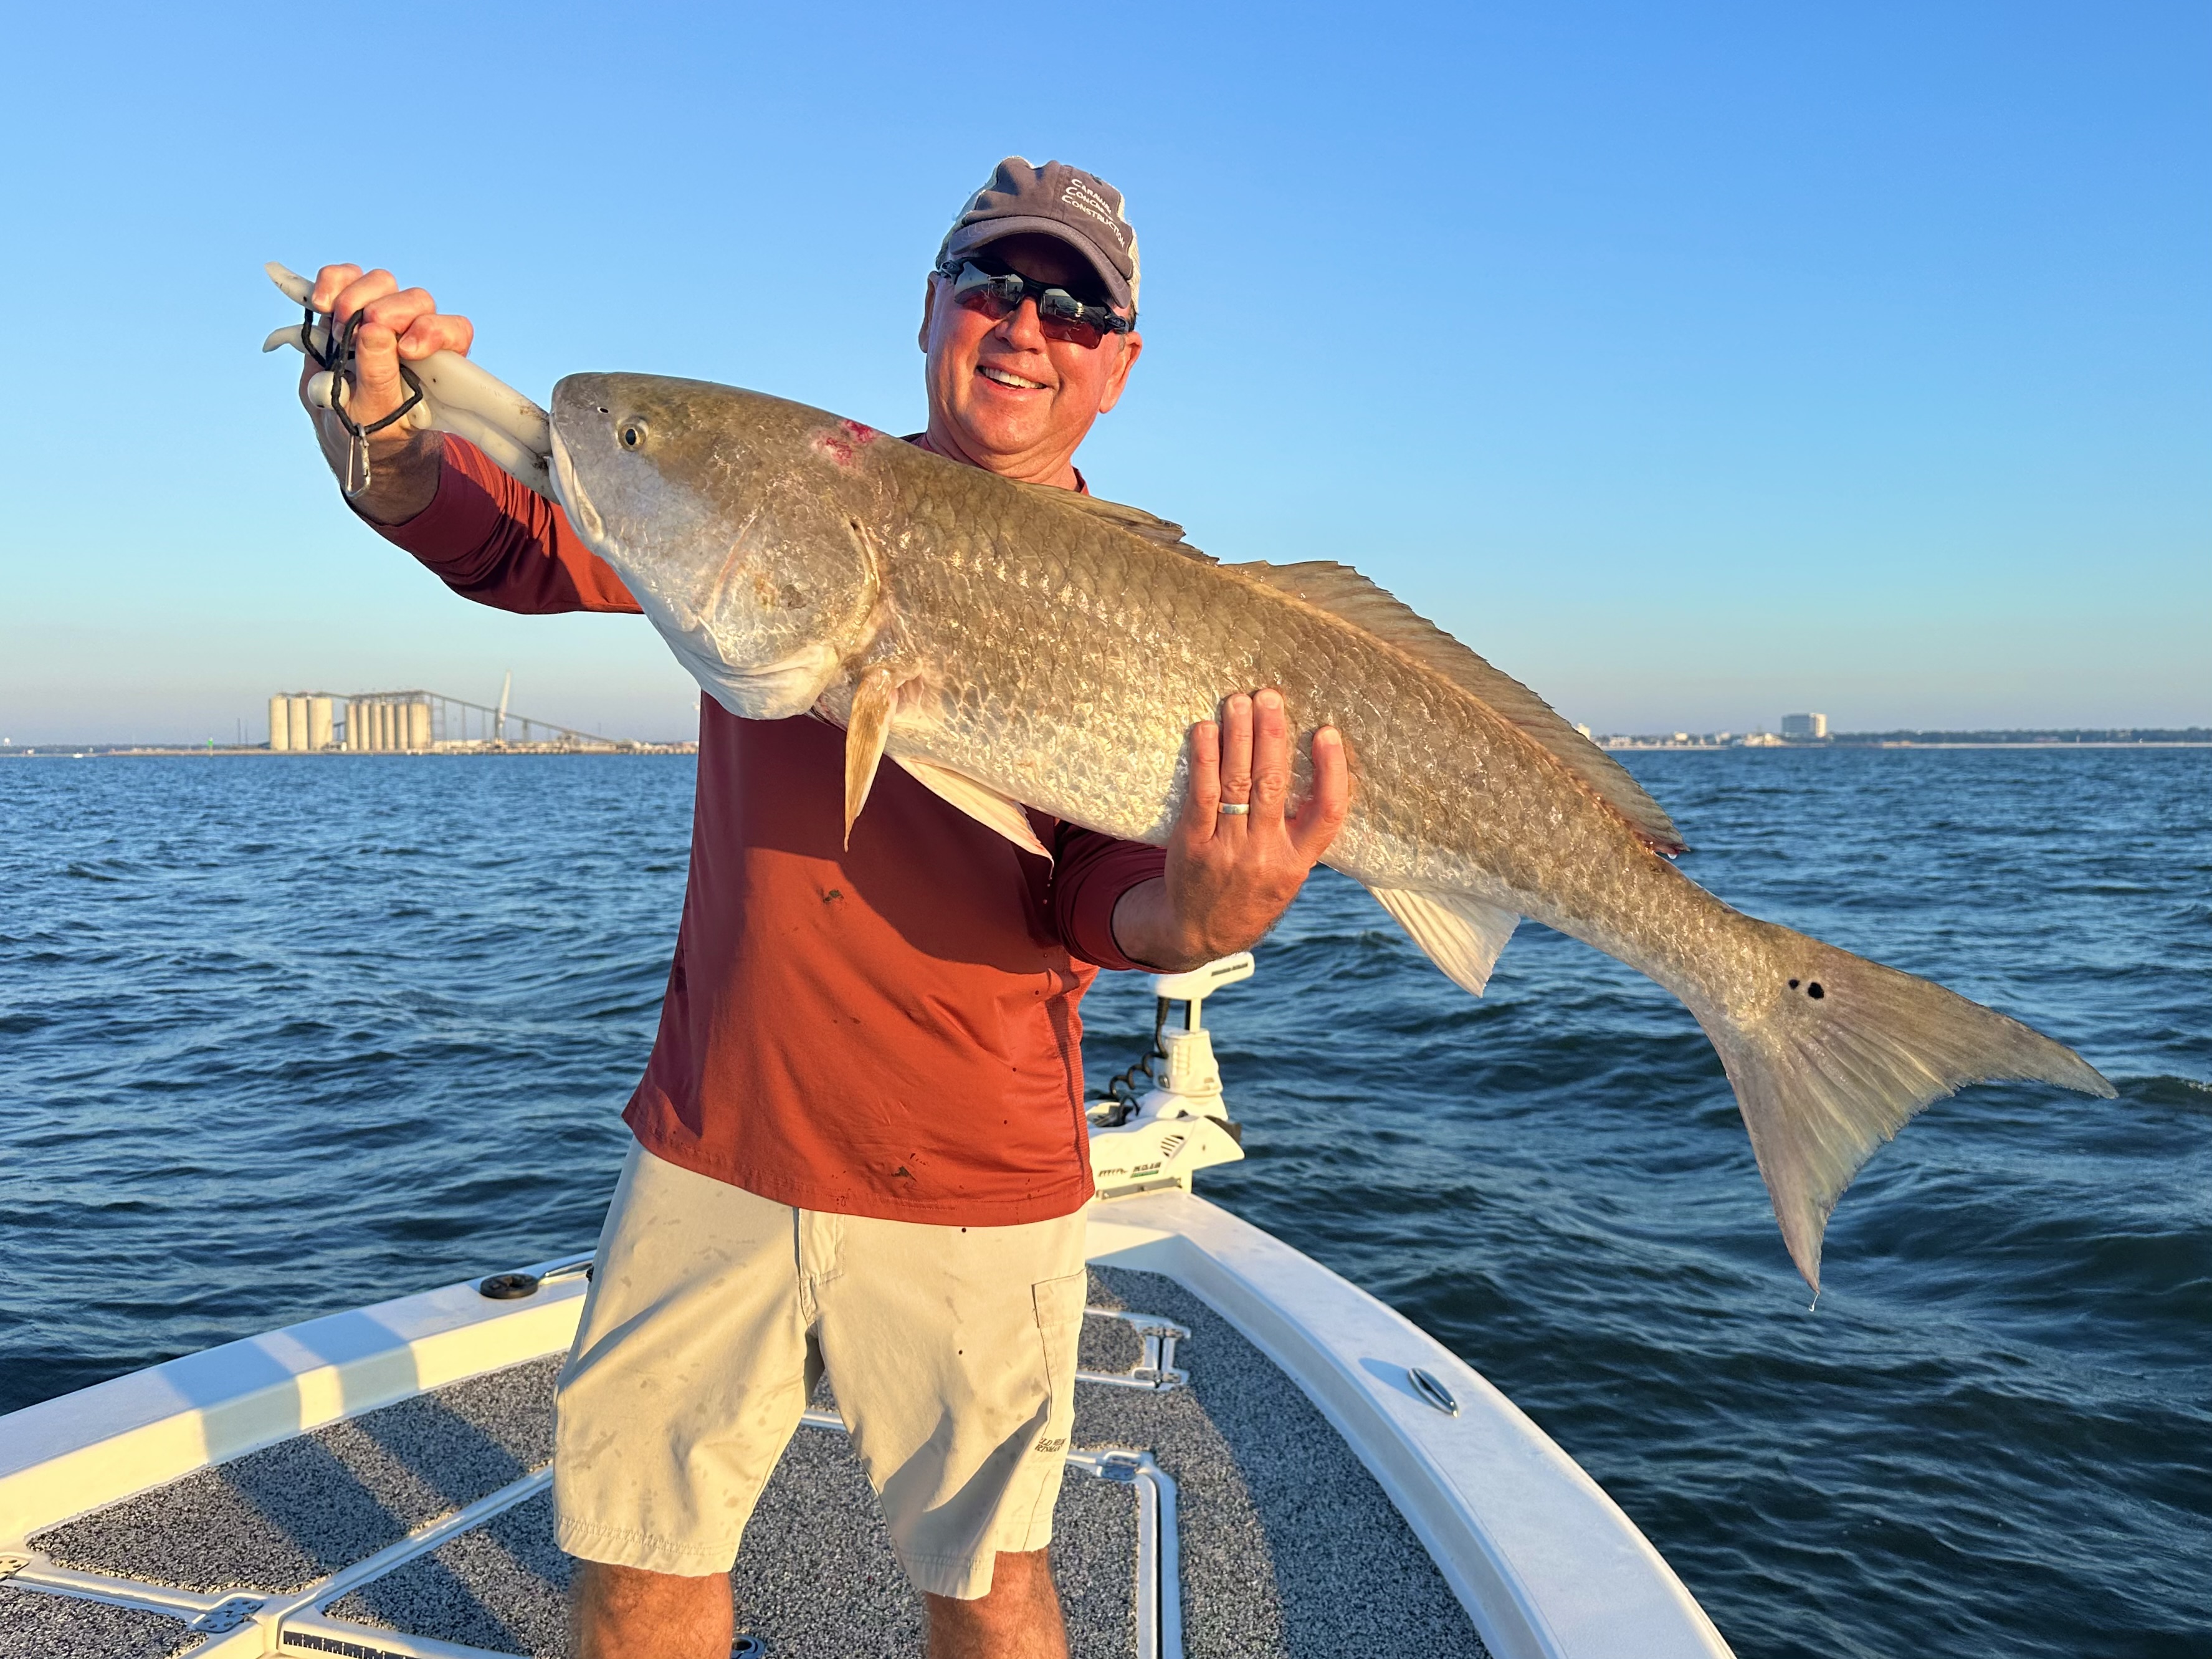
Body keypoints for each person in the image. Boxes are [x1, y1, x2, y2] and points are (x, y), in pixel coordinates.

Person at [298, 157, 1349, 1659]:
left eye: (1069, 307)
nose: (1021, 325)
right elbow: (532, 536)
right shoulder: (791, 485)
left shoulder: (1142, 602)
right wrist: (392, 436)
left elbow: (1093, 889)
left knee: (989, 1589)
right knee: (635, 1561)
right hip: (717, 1135)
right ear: (929, 306)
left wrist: (1199, 913)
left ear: (1115, 365)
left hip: (974, 1169)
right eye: (990, 283)